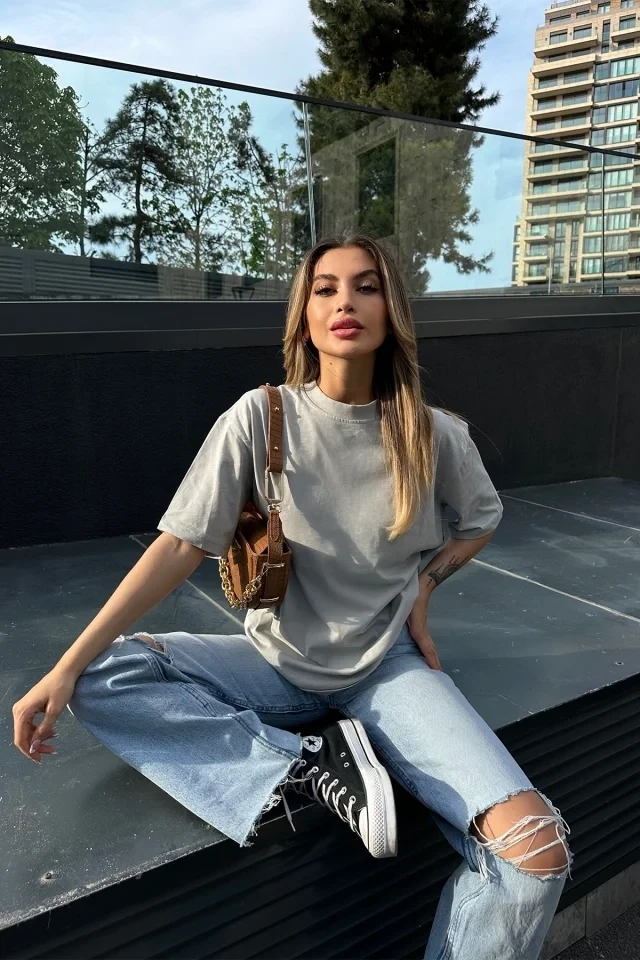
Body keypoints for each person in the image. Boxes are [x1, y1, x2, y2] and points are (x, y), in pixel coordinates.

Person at [12, 233, 571, 959]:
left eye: (367, 286)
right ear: (304, 317)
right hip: (273, 664)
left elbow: (481, 520)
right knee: (102, 676)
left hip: (389, 669)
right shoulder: (261, 416)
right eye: (325, 288)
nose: (345, 302)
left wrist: (425, 586)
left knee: (535, 856)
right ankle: (302, 769)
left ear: (392, 311)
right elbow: (180, 546)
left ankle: (324, 756)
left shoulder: (435, 436)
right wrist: (64, 666)